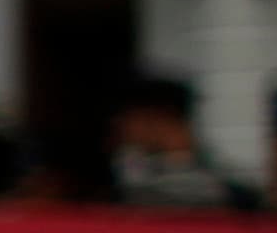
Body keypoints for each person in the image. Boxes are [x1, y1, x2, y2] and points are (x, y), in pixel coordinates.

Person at [111, 75, 264, 212]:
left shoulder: (211, 172)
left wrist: (180, 158)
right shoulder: (123, 170)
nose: (123, 126)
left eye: (135, 119)